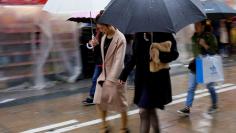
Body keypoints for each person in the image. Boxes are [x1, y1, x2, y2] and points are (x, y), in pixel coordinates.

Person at [119, 32, 179, 133]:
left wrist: (159, 56)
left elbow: (174, 53)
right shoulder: (139, 35)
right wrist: (124, 74)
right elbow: (134, 57)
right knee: (150, 111)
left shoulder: (164, 33)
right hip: (142, 80)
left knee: (143, 111)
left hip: (157, 80)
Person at [92, 17, 129, 132]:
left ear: (108, 24)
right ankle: (104, 125)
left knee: (121, 104)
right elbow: (101, 59)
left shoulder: (120, 38)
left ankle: (124, 128)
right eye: (99, 28)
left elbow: (118, 61)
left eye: (102, 28)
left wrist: (110, 80)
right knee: (98, 100)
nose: (101, 30)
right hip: (104, 74)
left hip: (117, 76)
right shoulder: (103, 37)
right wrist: (96, 46)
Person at [177, 21, 219, 116]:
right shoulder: (194, 37)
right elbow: (196, 52)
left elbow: (215, 52)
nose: (196, 27)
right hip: (197, 65)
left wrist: (205, 45)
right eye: (195, 25)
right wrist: (193, 59)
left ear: (203, 26)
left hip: (207, 65)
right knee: (191, 87)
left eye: (198, 25)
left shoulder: (210, 37)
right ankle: (187, 108)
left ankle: (214, 105)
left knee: (210, 86)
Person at [82, 12, 103, 106]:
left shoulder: (106, 32)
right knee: (97, 79)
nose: (96, 25)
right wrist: (91, 44)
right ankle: (95, 96)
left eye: (97, 22)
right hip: (99, 60)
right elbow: (92, 46)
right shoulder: (97, 31)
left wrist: (98, 44)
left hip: (104, 60)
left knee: (97, 79)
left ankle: (94, 96)